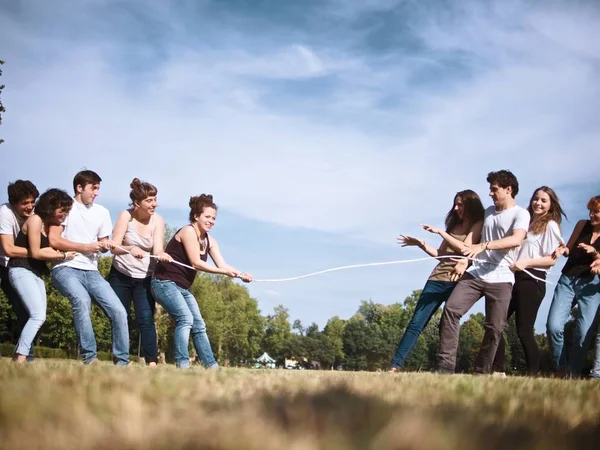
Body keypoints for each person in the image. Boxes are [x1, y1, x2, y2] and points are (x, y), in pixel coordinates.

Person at [436, 170, 530, 374]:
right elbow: (472, 241)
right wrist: (463, 261)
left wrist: (485, 246)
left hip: (502, 277)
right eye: (490, 189)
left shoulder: (521, 214)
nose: (490, 193)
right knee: (451, 310)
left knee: (495, 328)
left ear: (508, 189)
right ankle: (445, 367)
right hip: (476, 273)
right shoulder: (487, 212)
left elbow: (516, 240)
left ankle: (480, 372)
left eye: (494, 189)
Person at [151, 194, 252, 369]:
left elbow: (222, 264)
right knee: (185, 318)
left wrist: (240, 273)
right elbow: (196, 263)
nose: (211, 221)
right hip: (164, 283)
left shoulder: (210, 241)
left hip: (183, 287)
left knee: (199, 324)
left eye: (214, 218)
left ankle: (211, 366)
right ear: (196, 216)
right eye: (207, 217)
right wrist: (225, 272)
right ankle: (182, 364)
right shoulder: (188, 231)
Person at [390, 190, 484, 371]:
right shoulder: (453, 226)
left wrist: (441, 232)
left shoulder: (478, 224)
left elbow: (466, 249)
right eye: (455, 204)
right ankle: (395, 365)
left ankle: (443, 366)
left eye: (460, 204)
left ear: (470, 205)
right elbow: (441, 255)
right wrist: (422, 244)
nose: (456, 208)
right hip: (436, 278)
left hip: (458, 281)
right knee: (416, 323)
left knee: (446, 322)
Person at [48, 170, 129, 366]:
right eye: (93, 188)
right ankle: (90, 358)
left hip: (92, 272)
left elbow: (102, 244)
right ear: (79, 188)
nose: (96, 193)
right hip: (65, 267)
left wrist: (108, 246)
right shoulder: (64, 206)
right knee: (81, 300)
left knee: (119, 311)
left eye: (98, 189)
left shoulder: (102, 212)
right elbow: (54, 239)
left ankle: (122, 361)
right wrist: (85, 247)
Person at [491, 187, 566, 376]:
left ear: (551, 205)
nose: (538, 203)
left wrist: (526, 262)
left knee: (523, 330)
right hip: (513, 277)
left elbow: (551, 259)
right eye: (536, 199)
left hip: (533, 279)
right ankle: (499, 369)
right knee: (495, 322)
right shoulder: (525, 223)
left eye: (544, 201)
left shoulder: (550, 225)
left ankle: (535, 372)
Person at [8, 189, 77, 362]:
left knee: (40, 316)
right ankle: (20, 358)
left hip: (35, 272)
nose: (64, 215)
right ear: (50, 207)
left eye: (67, 211)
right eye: (62, 211)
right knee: (37, 315)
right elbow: (37, 252)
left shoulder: (47, 225)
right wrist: (63, 255)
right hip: (20, 269)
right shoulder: (35, 220)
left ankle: (19, 356)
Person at [108, 178, 172, 366]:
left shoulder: (157, 221)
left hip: (144, 278)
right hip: (120, 275)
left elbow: (158, 248)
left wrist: (162, 255)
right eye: (150, 200)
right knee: (121, 316)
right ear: (137, 203)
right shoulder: (125, 217)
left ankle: (152, 362)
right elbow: (113, 247)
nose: (155, 204)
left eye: (155, 199)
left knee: (145, 318)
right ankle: (121, 359)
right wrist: (130, 249)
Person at [546, 195, 600, 378]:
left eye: (596, 212)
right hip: (567, 280)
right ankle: (560, 368)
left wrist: (595, 254)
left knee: (583, 333)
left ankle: (574, 375)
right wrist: (562, 250)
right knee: (553, 326)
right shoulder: (581, 224)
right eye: (590, 211)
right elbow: (569, 249)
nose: (591, 215)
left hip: (591, 286)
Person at [0, 180, 39, 360]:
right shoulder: (5, 213)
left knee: (28, 310)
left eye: (32, 201)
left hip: (18, 265)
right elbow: (8, 249)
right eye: (25, 203)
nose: (30, 206)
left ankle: (25, 356)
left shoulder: (35, 214)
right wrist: (37, 252)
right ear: (13, 202)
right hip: (3, 263)